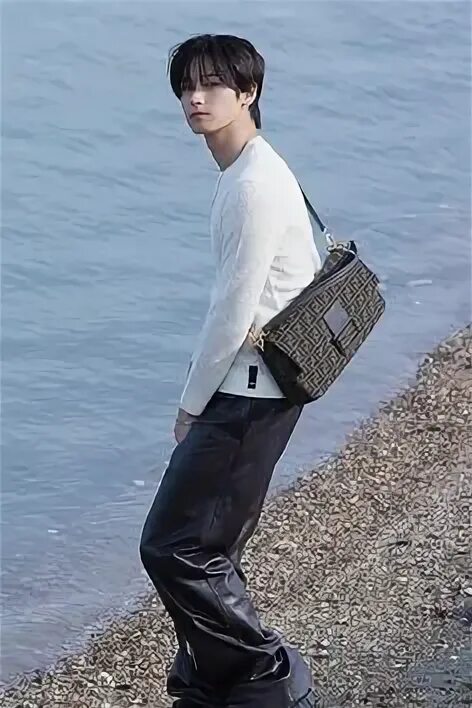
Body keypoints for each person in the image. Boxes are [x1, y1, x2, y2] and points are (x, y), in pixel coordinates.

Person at [139, 33, 322, 708]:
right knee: (208, 545)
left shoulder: (252, 185)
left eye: (213, 84)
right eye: (187, 86)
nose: (196, 97)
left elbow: (233, 311)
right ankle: (210, 680)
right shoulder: (247, 170)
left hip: (249, 393)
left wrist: (190, 404)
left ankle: (265, 675)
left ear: (248, 92)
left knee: (174, 547)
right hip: (259, 388)